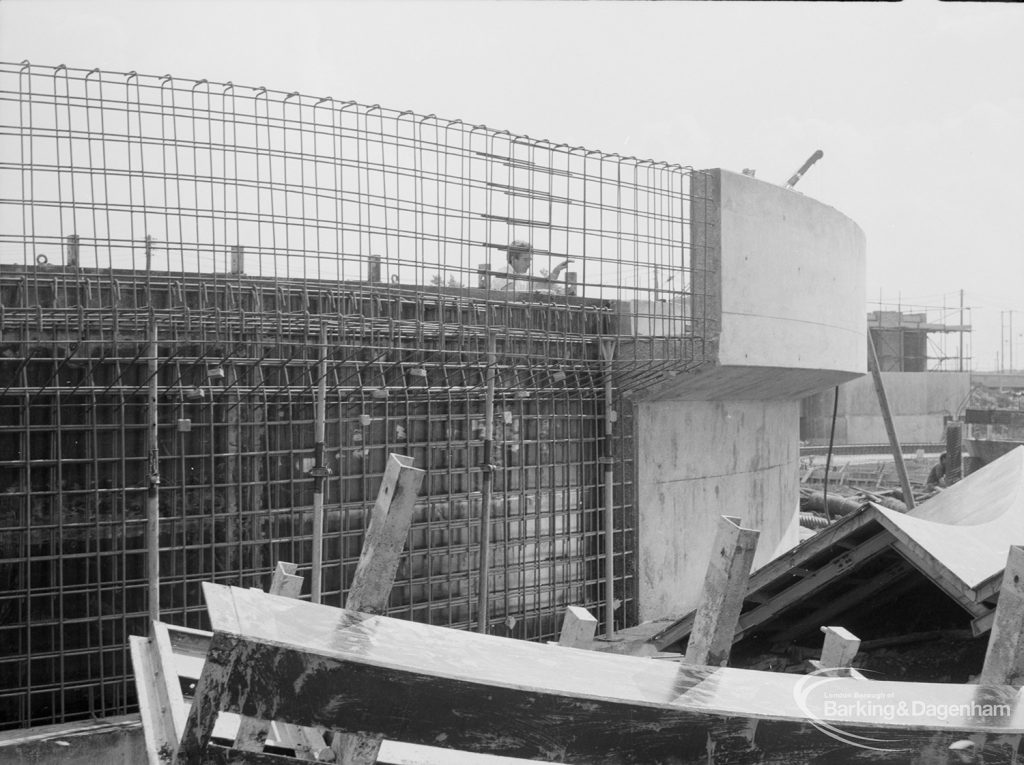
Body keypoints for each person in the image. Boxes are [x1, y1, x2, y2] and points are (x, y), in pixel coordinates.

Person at [490, 240, 571, 293]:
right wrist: (537, 292)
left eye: (530, 260)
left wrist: (556, 272)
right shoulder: (503, 273)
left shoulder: (521, 277)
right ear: (514, 259)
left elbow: (544, 285)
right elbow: (510, 295)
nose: (529, 264)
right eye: (525, 260)